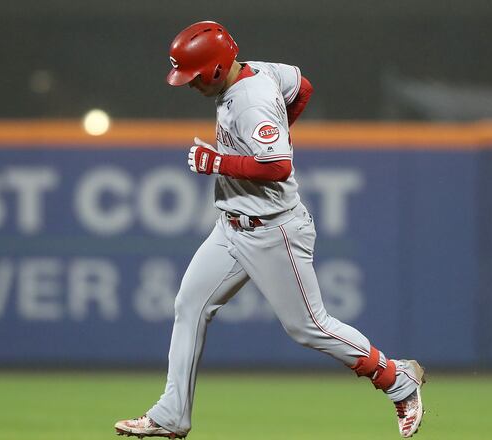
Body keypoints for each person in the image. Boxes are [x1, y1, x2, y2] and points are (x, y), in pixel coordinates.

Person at [113, 21, 425, 439]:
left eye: (193, 76)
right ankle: (171, 417)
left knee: (309, 327)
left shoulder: (251, 100)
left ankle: (396, 380)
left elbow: (279, 165)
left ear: (217, 67)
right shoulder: (259, 71)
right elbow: (304, 86)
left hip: (273, 230)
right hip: (231, 226)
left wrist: (219, 162)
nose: (188, 84)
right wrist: (271, 136)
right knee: (189, 306)